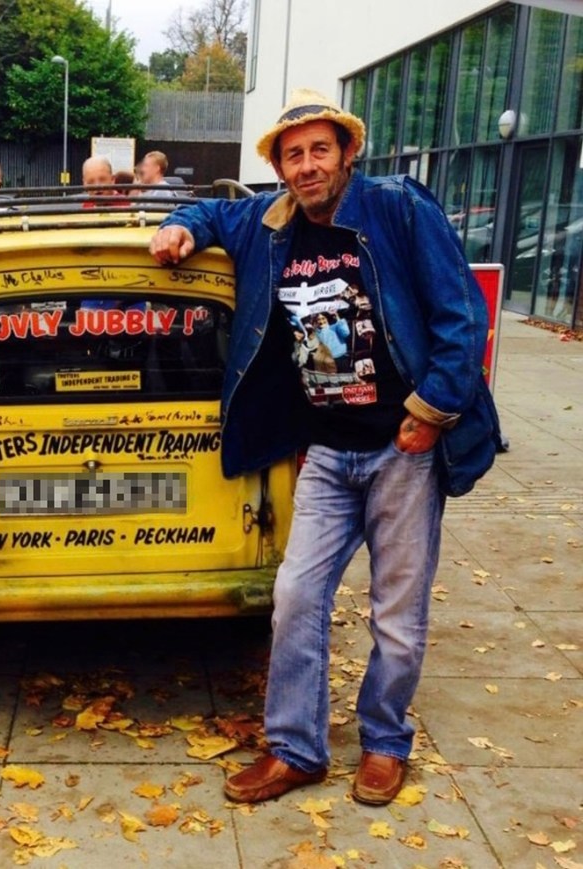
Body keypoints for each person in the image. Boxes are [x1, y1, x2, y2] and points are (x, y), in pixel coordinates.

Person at [151, 88, 500, 807]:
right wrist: (180, 228)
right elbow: (211, 210)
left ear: (347, 152)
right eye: (292, 153)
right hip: (327, 453)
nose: (307, 166)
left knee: (396, 612)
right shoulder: (269, 221)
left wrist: (430, 412)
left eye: (319, 150)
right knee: (296, 594)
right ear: (279, 165)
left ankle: (382, 742)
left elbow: (462, 315)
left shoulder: (398, 208)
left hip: (403, 449)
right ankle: (297, 749)